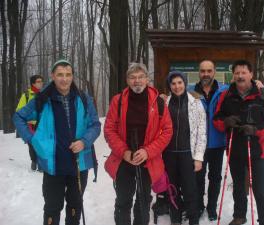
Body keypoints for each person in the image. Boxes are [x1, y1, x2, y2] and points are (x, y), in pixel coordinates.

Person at [13, 59, 101, 225]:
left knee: (75, 206)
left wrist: (84, 141)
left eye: (68, 74)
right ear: (53, 76)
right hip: (53, 165)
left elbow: (95, 125)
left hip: (78, 164)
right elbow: (18, 116)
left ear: (72, 76)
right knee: (53, 208)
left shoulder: (83, 98)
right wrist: (32, 140)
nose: (64, 79)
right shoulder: (41, 100)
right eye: (60, 74)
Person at [104, 62, 173, 225]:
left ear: (147, 79)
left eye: (141, 77)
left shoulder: (159, 102)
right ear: (127, 80)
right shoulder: (118, 101)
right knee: (123, 200)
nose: (137, 81)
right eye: (133, 77)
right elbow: (109, 129)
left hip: (147, 160)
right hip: (124, 158)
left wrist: (148, 152)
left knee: (143, 201)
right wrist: (124, 152)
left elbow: (167, 131)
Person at [213, 60, 264, 225]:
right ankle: (239, 215)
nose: (240, 76)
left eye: (243, 72)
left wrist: (256, 130)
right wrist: (226, 121)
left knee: (259, 188)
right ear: (233, 75)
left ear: (251, 74)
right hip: (234, 149)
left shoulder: (263, 95)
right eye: (237, 73)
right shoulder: (226, 95)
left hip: (256, 149)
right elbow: (217, 119)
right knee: (238, 187)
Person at [163, 71, 206, 225]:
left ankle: (193, 221)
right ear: (169, 85)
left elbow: (202, 132)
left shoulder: (195, 103)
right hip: (169, 154)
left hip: (188, 154)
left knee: (190, 191)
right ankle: (175, 220)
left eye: (179, 83)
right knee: (172, 190)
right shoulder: (165, 103)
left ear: (185, 84)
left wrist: (199, 157)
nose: (177, 86)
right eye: (173, 83)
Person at [194, 60, 229, 221]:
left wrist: (257, 84)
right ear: (198, 72)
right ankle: (199, 205)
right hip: (197, 145)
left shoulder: (225, 90)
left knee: (215, 178)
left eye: (209, 70)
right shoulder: (190, 91)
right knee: (198, 178)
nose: (206, 74)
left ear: (214, 71)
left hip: (217, 143)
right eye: (203, 71)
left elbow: (246, 92)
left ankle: (212, 207)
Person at [16, 74, 44, 170]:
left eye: (41, 81)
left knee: (41, 143)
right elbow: (19, 111)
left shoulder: (44, 94)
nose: (41, 83)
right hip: (30, 125)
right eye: (38, 82)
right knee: (32, 143)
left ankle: (41, 163)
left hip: (42, 124)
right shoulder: (26, 95)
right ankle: (34, 161)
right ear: (33, 83)